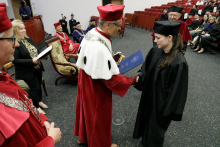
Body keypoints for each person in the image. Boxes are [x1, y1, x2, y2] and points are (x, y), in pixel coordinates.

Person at [74, 4, 137, 147]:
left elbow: (92, 59)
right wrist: (131, 80)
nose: (121, 28)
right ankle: (102, 143)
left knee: (86, 109)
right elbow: (110, 79)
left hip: (86, 78)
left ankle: (83, 137)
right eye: (118, 25)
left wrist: (110, 61)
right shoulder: (99, 47)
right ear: (108, 24)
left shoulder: (92, 33)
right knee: (99, 114)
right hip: (96, 84)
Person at [0, 3, 61, 146]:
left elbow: (24, 105)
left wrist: (42, 120)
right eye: (10, 39)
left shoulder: (4, 77)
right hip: (27, 71)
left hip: (36, 68)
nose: (15, 44)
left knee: (37, 88)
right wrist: (49, 141)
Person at [133, 20, 188, 147]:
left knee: (155, 132)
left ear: (169, 37)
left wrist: (167, 111)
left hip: (161, 105)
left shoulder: (179, 62)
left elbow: (178, 91)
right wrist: (140, 76)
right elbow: (145, 68)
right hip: (148, 96)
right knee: (145, 122)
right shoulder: (155, 51)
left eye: (158, 38)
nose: (155, 40)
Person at [12, 19, 48, 114]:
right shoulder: (15, 43)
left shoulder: (28, 39)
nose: (24, 30)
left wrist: (44, 55)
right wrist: (31, 61)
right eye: (21, 29)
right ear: (15, 30)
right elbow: (15, 61)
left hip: (37, 67)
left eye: (24, 28)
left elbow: (37, 50)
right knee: (35, 87)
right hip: (26, 71)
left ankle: (39, 101)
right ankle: (36, 106)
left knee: (39, 84)